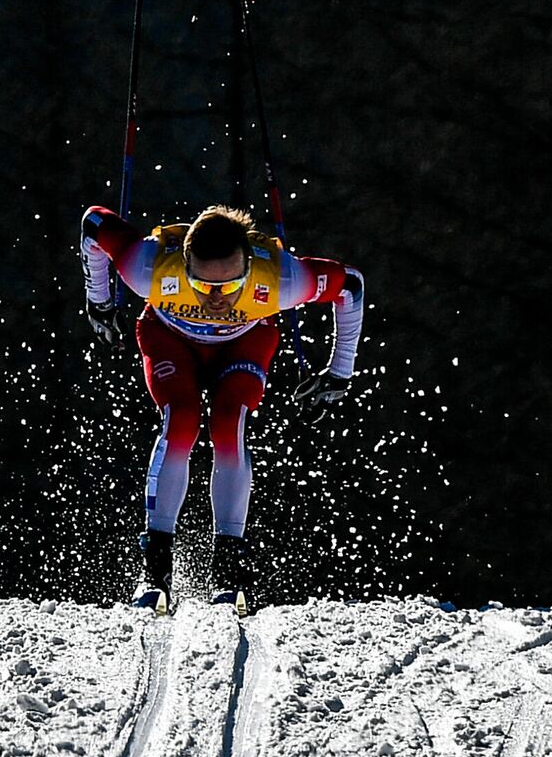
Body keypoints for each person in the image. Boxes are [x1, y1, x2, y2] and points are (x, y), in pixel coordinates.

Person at [79, 203, 366, 608]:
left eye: (231, 286)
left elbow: (350, 284)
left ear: (249, 266)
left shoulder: (281, 278)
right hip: (169, 337)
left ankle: (229, 572)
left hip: (243, 341)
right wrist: (100, 301)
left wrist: (339, 371)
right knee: (181, 421)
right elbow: (94, 223)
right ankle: (156, 571)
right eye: (201, 283)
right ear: (184, 264)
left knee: (228, 424)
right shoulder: (148, 268)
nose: (216, 299)